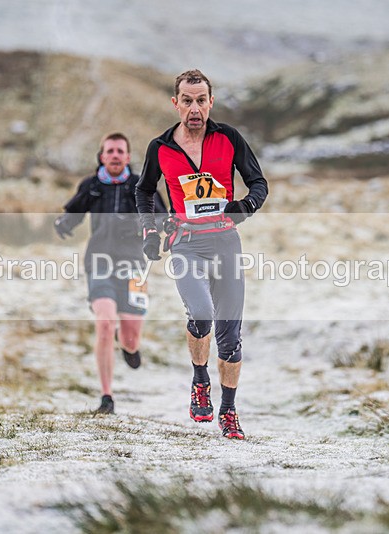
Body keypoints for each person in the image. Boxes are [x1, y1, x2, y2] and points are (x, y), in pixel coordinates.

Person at [135, 69, 268, 439]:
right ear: (175, 104)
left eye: (201, 100)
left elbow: (258, 183)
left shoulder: (229, 138)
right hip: (186, 243)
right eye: (187, 101)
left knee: (230, 336)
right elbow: (144, 191)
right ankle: (199, 380)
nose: (195, 108)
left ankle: (228, 411)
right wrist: (148, 229)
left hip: (225, 243)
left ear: (211, 102)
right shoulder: (160, 148)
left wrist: (245, 207)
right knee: (202, 312)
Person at [55, 132, 167, 414]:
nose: (115, 155)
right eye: (110, 151)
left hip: (134, 265)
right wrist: (64, 224)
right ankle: (107, 397)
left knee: (130, 338)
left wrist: (153, 228)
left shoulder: (144, 186)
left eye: (120, 151)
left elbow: (163, 218)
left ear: (128, 157)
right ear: (102, 156)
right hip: (99, 262)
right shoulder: (92, 186)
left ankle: (128, 346)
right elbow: (75, 211)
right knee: (105, 323)